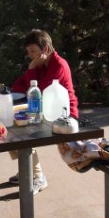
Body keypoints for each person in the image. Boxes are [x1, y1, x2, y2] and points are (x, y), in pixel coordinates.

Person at [8, 29, 79, 194]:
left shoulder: (59, 65)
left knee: (20, 133)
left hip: (64, 115)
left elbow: (40, 91)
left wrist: (31, 68)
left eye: (33, 51)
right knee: (8, 125)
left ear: (45, 48)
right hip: (44, 111)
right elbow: (18, 86)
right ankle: (28, 170)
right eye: (28, 52)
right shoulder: (41, 65)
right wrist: (32, 70)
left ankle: (37, 176)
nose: (30, 55)